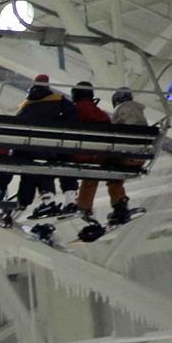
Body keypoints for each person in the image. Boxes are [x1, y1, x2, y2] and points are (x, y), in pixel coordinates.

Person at [64, 81, 130, 231]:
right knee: (110, 172)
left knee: (91, 175)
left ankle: (84, 207)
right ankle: (120, 204)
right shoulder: (101, 115)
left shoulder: (72, 112)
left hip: (78, 155)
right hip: (99, 156)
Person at [9, 74, 75, 213]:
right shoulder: (57, 99)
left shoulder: (25, 104)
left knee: (29, 170)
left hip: (28, 149)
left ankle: (23, 203)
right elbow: (72, 114)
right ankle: (48, 197)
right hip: (50, 147)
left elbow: (17, 125)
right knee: (49, 164)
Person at [106, 88, 146, 226]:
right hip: (141, 155)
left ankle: (119, 207)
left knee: (112, 176)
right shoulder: (139, 112)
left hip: (127, 152)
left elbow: (123, 127)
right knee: (116, 178)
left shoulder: (123, 110)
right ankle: (120, 205)